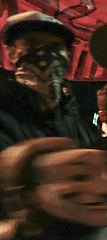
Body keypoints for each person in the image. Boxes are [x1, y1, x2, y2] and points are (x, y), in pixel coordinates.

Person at [0, 11, 96, 153]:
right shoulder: (4, 109)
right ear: (11, 53)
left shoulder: (71, 112)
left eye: (56, 47)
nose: (46, 54)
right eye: (32, 44)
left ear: (68, 55)